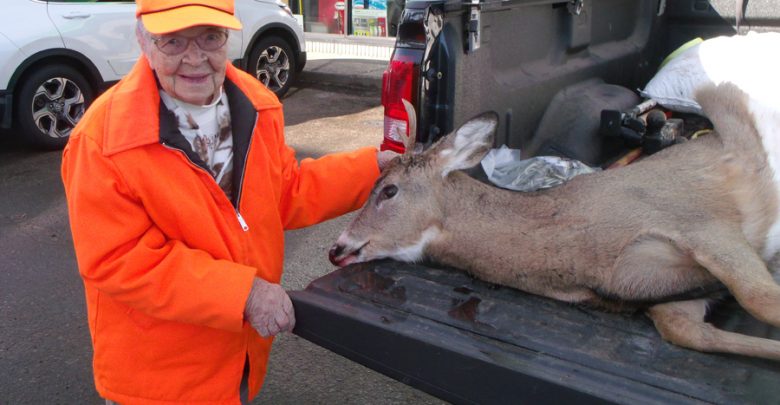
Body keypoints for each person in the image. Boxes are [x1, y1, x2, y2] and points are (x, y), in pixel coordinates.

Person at [61, 0, 397, 403]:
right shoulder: (103, 140)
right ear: (143, 41)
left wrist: (374, 171)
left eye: (210, 37)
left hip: (239, 361)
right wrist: (244, 295)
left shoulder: (256, 103)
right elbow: (118, 259)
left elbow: (285, 191)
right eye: (172, 41)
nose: (195, 58)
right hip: (160, 381)